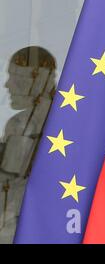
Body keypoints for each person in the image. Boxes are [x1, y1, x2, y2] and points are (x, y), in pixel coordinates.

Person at [0, 47, 55, 243]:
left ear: (37, 80)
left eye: (15, 77)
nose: (7, 85)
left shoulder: (22, 125)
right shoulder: (64, 122)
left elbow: (9, 185)